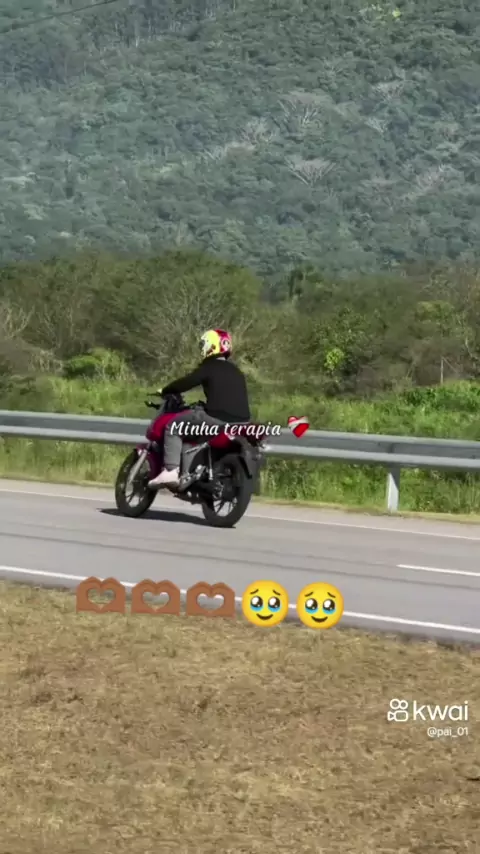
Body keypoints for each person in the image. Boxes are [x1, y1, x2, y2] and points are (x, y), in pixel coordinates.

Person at [148, 328, 251, 488]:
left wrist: (166, 390)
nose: (202, 348)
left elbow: (187, 382)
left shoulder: (210, 366)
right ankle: (195, 470)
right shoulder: (237, 372)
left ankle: (171, 471)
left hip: (216, 418)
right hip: (242, 422)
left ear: (211, 345)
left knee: (174, 426)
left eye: (204, 344)